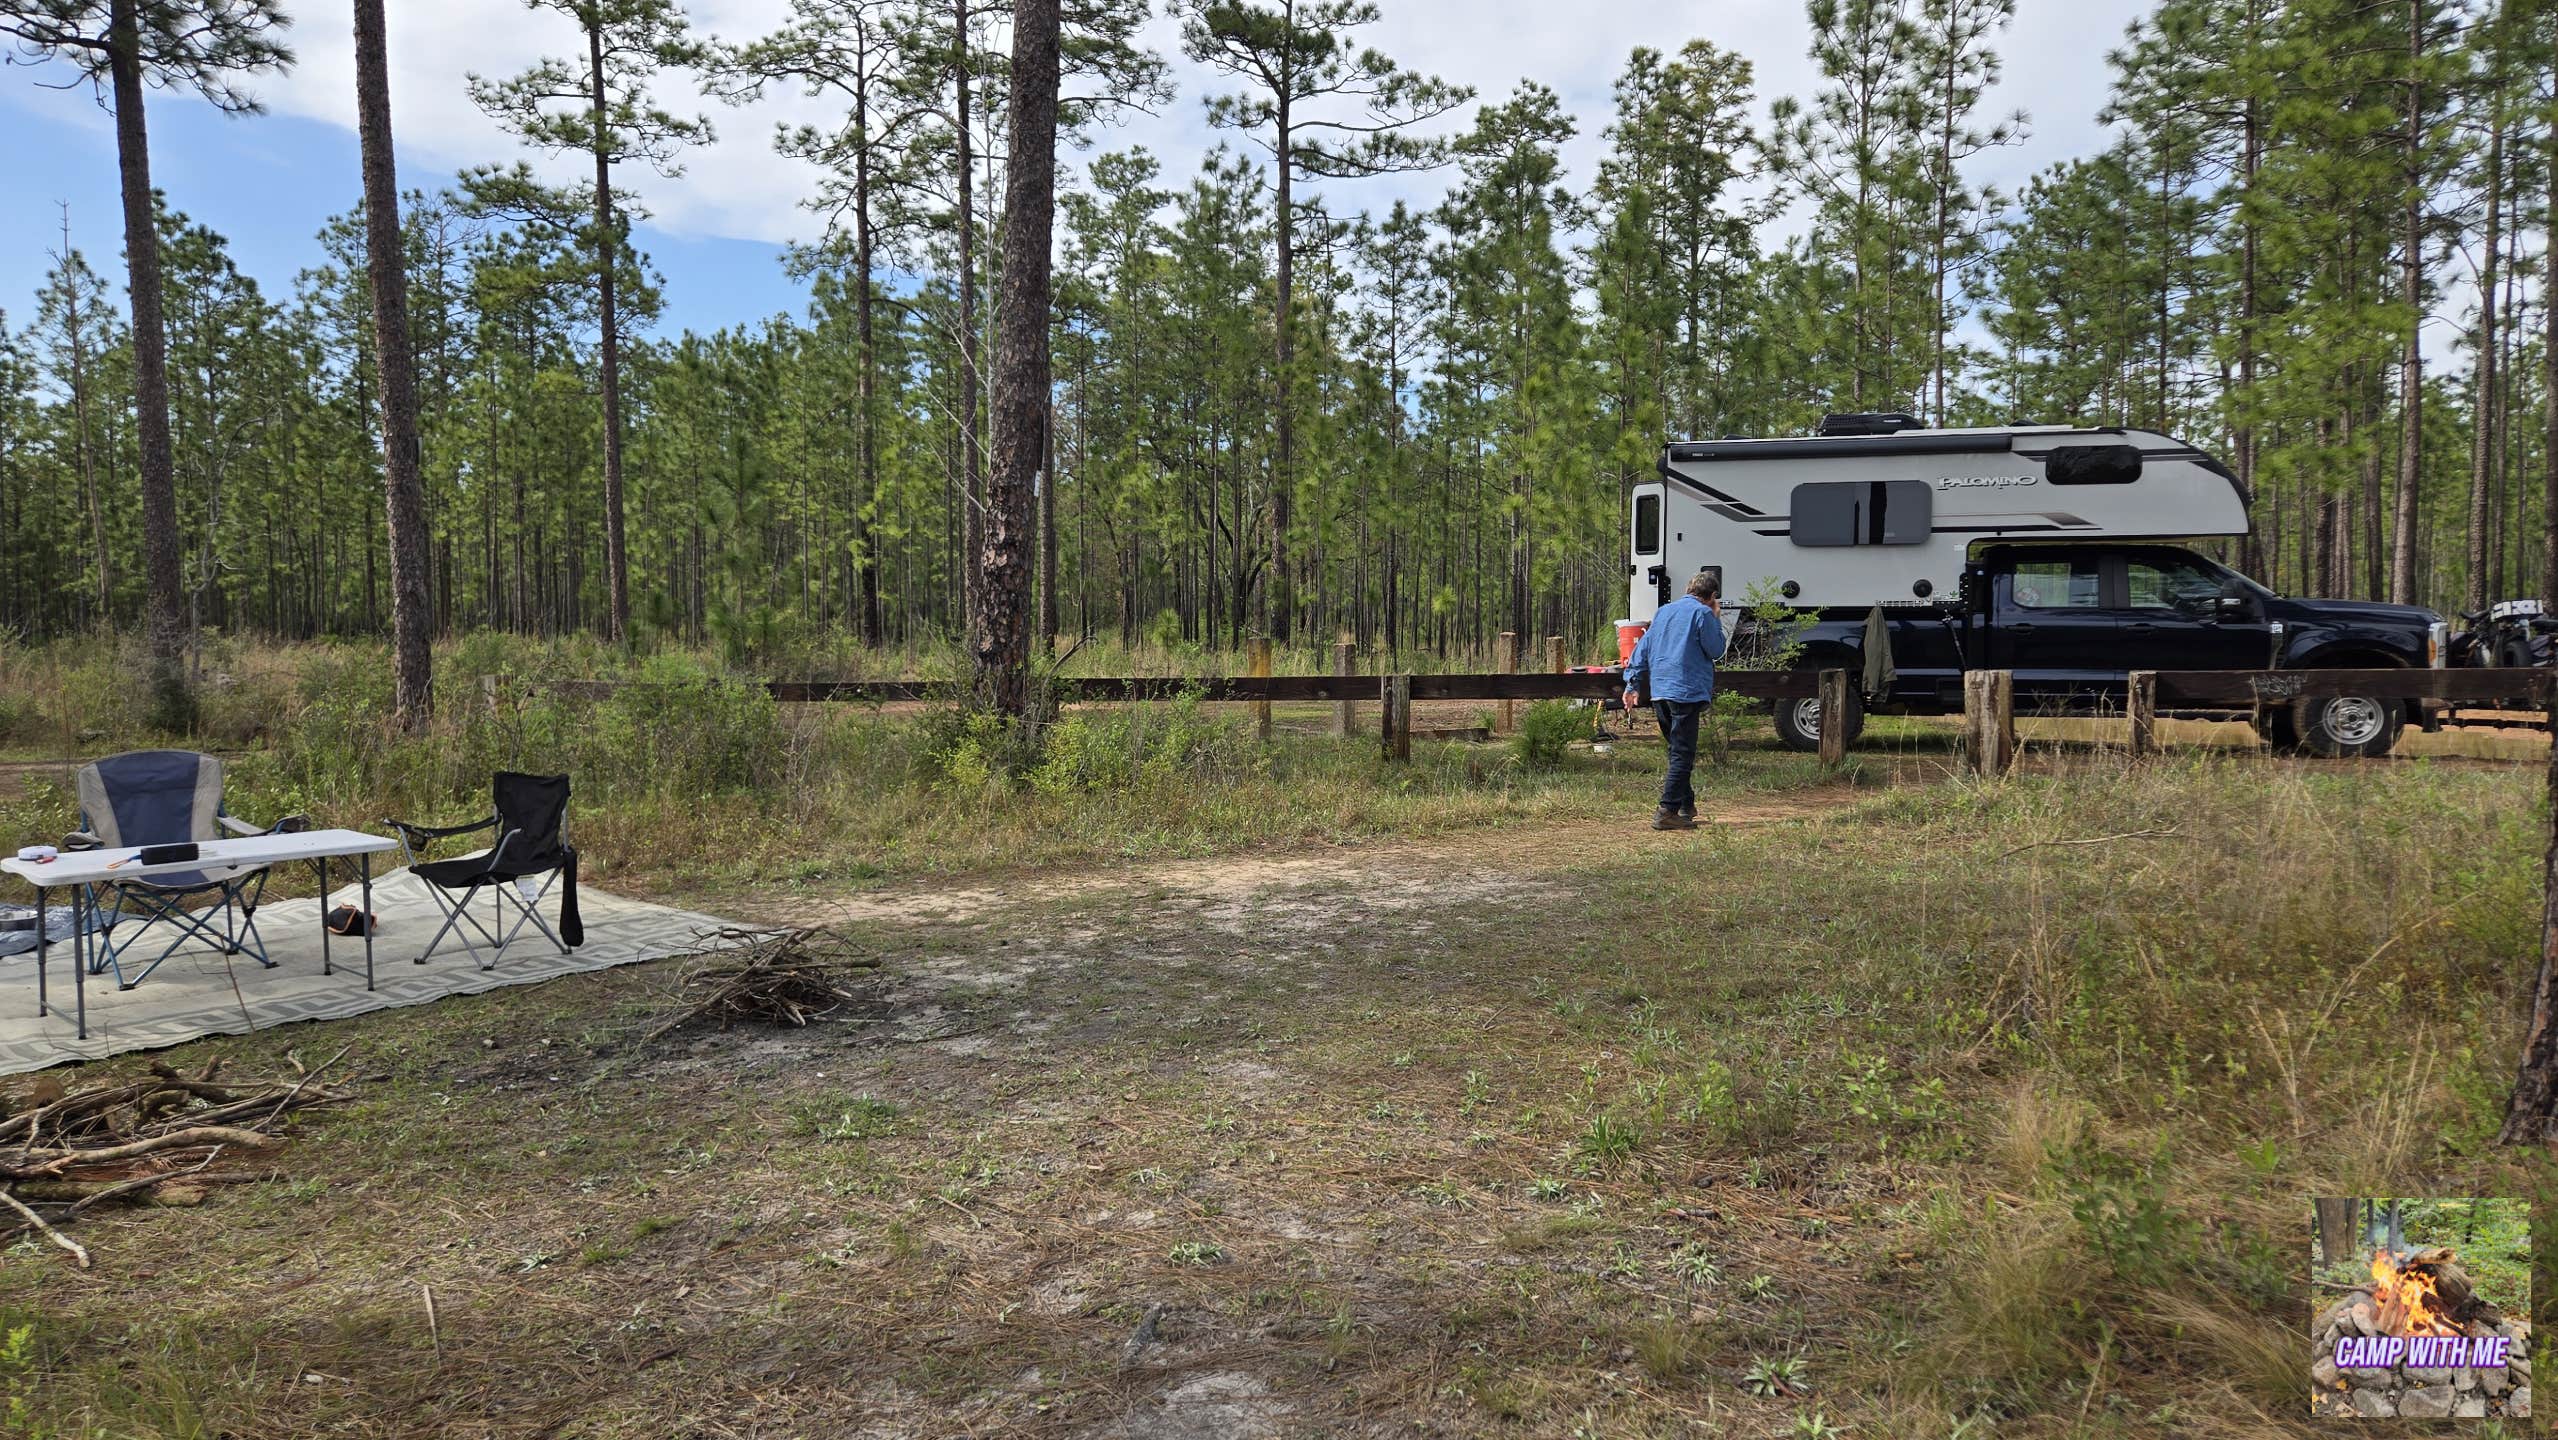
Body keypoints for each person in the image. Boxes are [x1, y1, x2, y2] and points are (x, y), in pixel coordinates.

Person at [1622, 570, 1728, 830]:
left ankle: (1685, 804)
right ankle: (1667, 810)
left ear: (1689, 589)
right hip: (1686, 690)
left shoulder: (1663, 612)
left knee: (1676, 750)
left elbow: (1642, 649)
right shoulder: (1703, 613)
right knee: (1682, 752)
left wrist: (1632, 683)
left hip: (1660, 690)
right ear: (1712, 596)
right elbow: (1716, 650)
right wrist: (1715, 618)